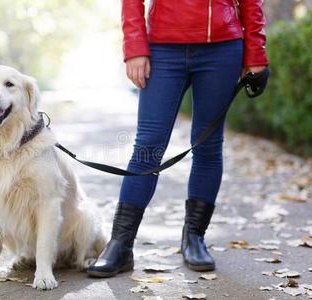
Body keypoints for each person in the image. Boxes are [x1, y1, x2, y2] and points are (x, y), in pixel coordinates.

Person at [87, 0, 269, 277]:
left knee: (208, 146)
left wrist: (256, 52)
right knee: (148, 146)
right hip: (162, 47)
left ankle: (193, 238)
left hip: (222, 48)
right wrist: (135, 47)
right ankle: (120, 244)